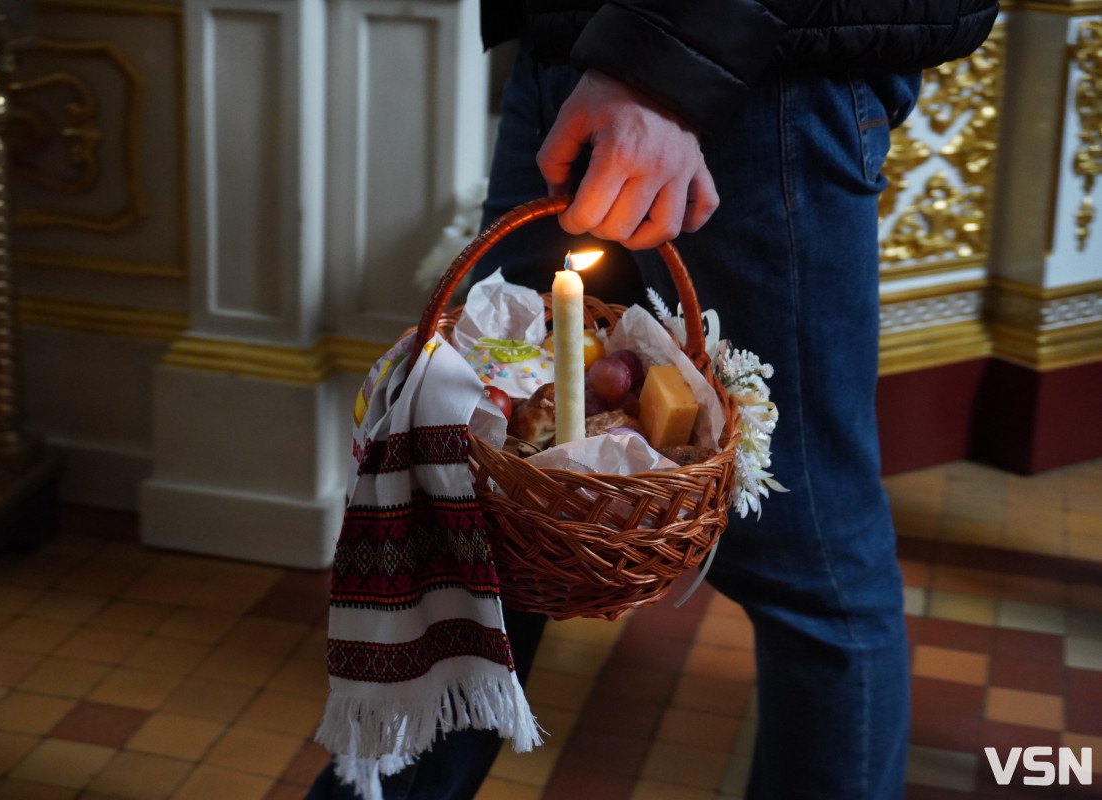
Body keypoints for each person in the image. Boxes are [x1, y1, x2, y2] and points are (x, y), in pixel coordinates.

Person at [308, 2, 999, 798]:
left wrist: (662, 75)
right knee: (475, 499)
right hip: (579, 47)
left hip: (743, 75)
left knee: (812, 561)